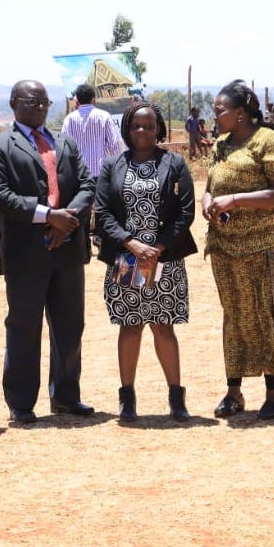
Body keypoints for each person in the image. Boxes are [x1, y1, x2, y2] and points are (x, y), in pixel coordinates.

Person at [0, 79, 96, 424]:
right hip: (26, 254)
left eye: (45, 102)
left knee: (69, 326)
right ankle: (21, 403)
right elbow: (0, 196)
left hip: (67, 250)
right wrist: (48, 216)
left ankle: (65, 396)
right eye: (33, 102)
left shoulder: (64, 141)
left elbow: (87, 183)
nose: (41, 107)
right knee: (23, 328)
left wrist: (68, 220)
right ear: (14, 102)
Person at [94, 102, 198, 422]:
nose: (142, 131)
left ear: (159, 129)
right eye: (136, 126)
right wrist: (132, 243)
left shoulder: (175, 163)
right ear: (127, 129)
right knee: (131, 326)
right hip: (128, 258)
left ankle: (176, 398)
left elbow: (186, 210)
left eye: (149, 126)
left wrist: (158, 246)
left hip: (163, 260)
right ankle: (127, 399)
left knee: (163, 326)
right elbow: (103, 213)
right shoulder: (113, 165)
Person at [202, 79, 274, 421]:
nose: (216, 115)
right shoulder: (222, 144)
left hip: (264, 244)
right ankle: (233, 391)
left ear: (240, 113)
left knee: (265, 313)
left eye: (220, 110)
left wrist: (236, 200)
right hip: (225, 246)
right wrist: (209, 202)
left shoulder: (267, 141)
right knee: (234, 314)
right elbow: (211, 186)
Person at [61, 84, 122, 178]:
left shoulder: (69, 120)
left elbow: (64, 147)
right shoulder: (104, 116)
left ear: (78, 99)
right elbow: (114, 145)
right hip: (101, 173)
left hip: (79, 175)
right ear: (93, 98)